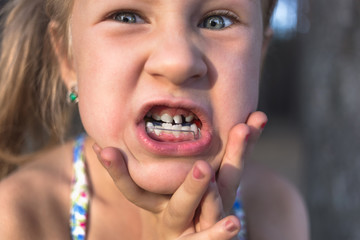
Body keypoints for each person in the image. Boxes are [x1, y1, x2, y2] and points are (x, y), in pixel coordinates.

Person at [0, 0, 309, 239]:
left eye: (217, 21)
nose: (178, 61)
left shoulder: (275, 209)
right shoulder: (18, 217)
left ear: (260, 55)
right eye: (127, 17)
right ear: (68, 60)